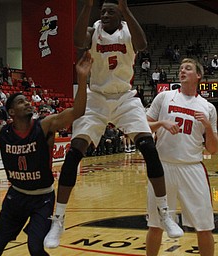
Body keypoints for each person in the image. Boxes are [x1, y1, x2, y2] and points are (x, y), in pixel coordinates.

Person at [44, 0, 183, 249]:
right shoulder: (93, 30)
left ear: (120, 15)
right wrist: (86, 7)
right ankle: (58, 219)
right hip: (96, 97)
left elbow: (142, 45)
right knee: (74, 152)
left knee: (149, 150)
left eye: (111, 11)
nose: (105, 14)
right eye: (103, 11)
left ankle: (165, 213)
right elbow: (77, 41)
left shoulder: (129, 30)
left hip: (124, 98)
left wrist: (127, 10)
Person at [0, 51, 92, 256]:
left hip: (43, 198)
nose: (28, 102)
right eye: (22, 102)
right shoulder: (1, 132)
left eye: (27, 100)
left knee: (35, 247)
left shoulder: (45, 125)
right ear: (11, 112)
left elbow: (78, 111)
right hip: (16, 197)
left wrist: (82, 78)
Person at [145, 58, 217, 256]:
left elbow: (212, 149)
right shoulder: (164, 97)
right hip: (162, 167)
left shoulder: (207, 107)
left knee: (204, 226)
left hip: (192, 167)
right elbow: (142, 126)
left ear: (198, 75)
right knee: (155, 224)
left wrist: (209, 127)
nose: (182, 71)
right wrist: (161, 124)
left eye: (188, 68)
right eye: (181, 68)